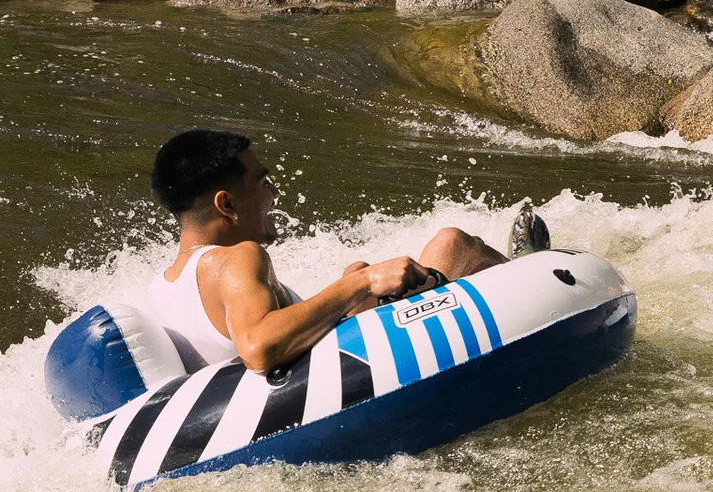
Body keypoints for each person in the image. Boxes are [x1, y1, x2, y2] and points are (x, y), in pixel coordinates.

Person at [146, 129, 548, 373]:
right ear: (227, 205)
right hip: (342, 383)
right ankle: (537, 283)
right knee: (452, 244)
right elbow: (258, 347)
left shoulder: (163, 286)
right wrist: (363, 282)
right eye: (262, 183)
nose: (275, 193)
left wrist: (356, 282)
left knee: (358, 270)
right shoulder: (238, 257)